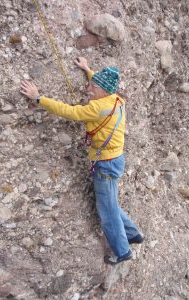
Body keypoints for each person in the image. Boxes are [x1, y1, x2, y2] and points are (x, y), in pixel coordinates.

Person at [20, 57, 143, 265]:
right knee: (110, 201)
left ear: (103, 91)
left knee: (107, 210)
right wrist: (87, 69)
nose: (88, 89)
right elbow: (101, 83)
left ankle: (122, 251)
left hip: (105, 163)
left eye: (92, 86)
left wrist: (39, 98)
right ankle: (133, 234)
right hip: (115, 159)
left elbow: (70, 112)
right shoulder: (116, 99)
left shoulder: (96, 108)